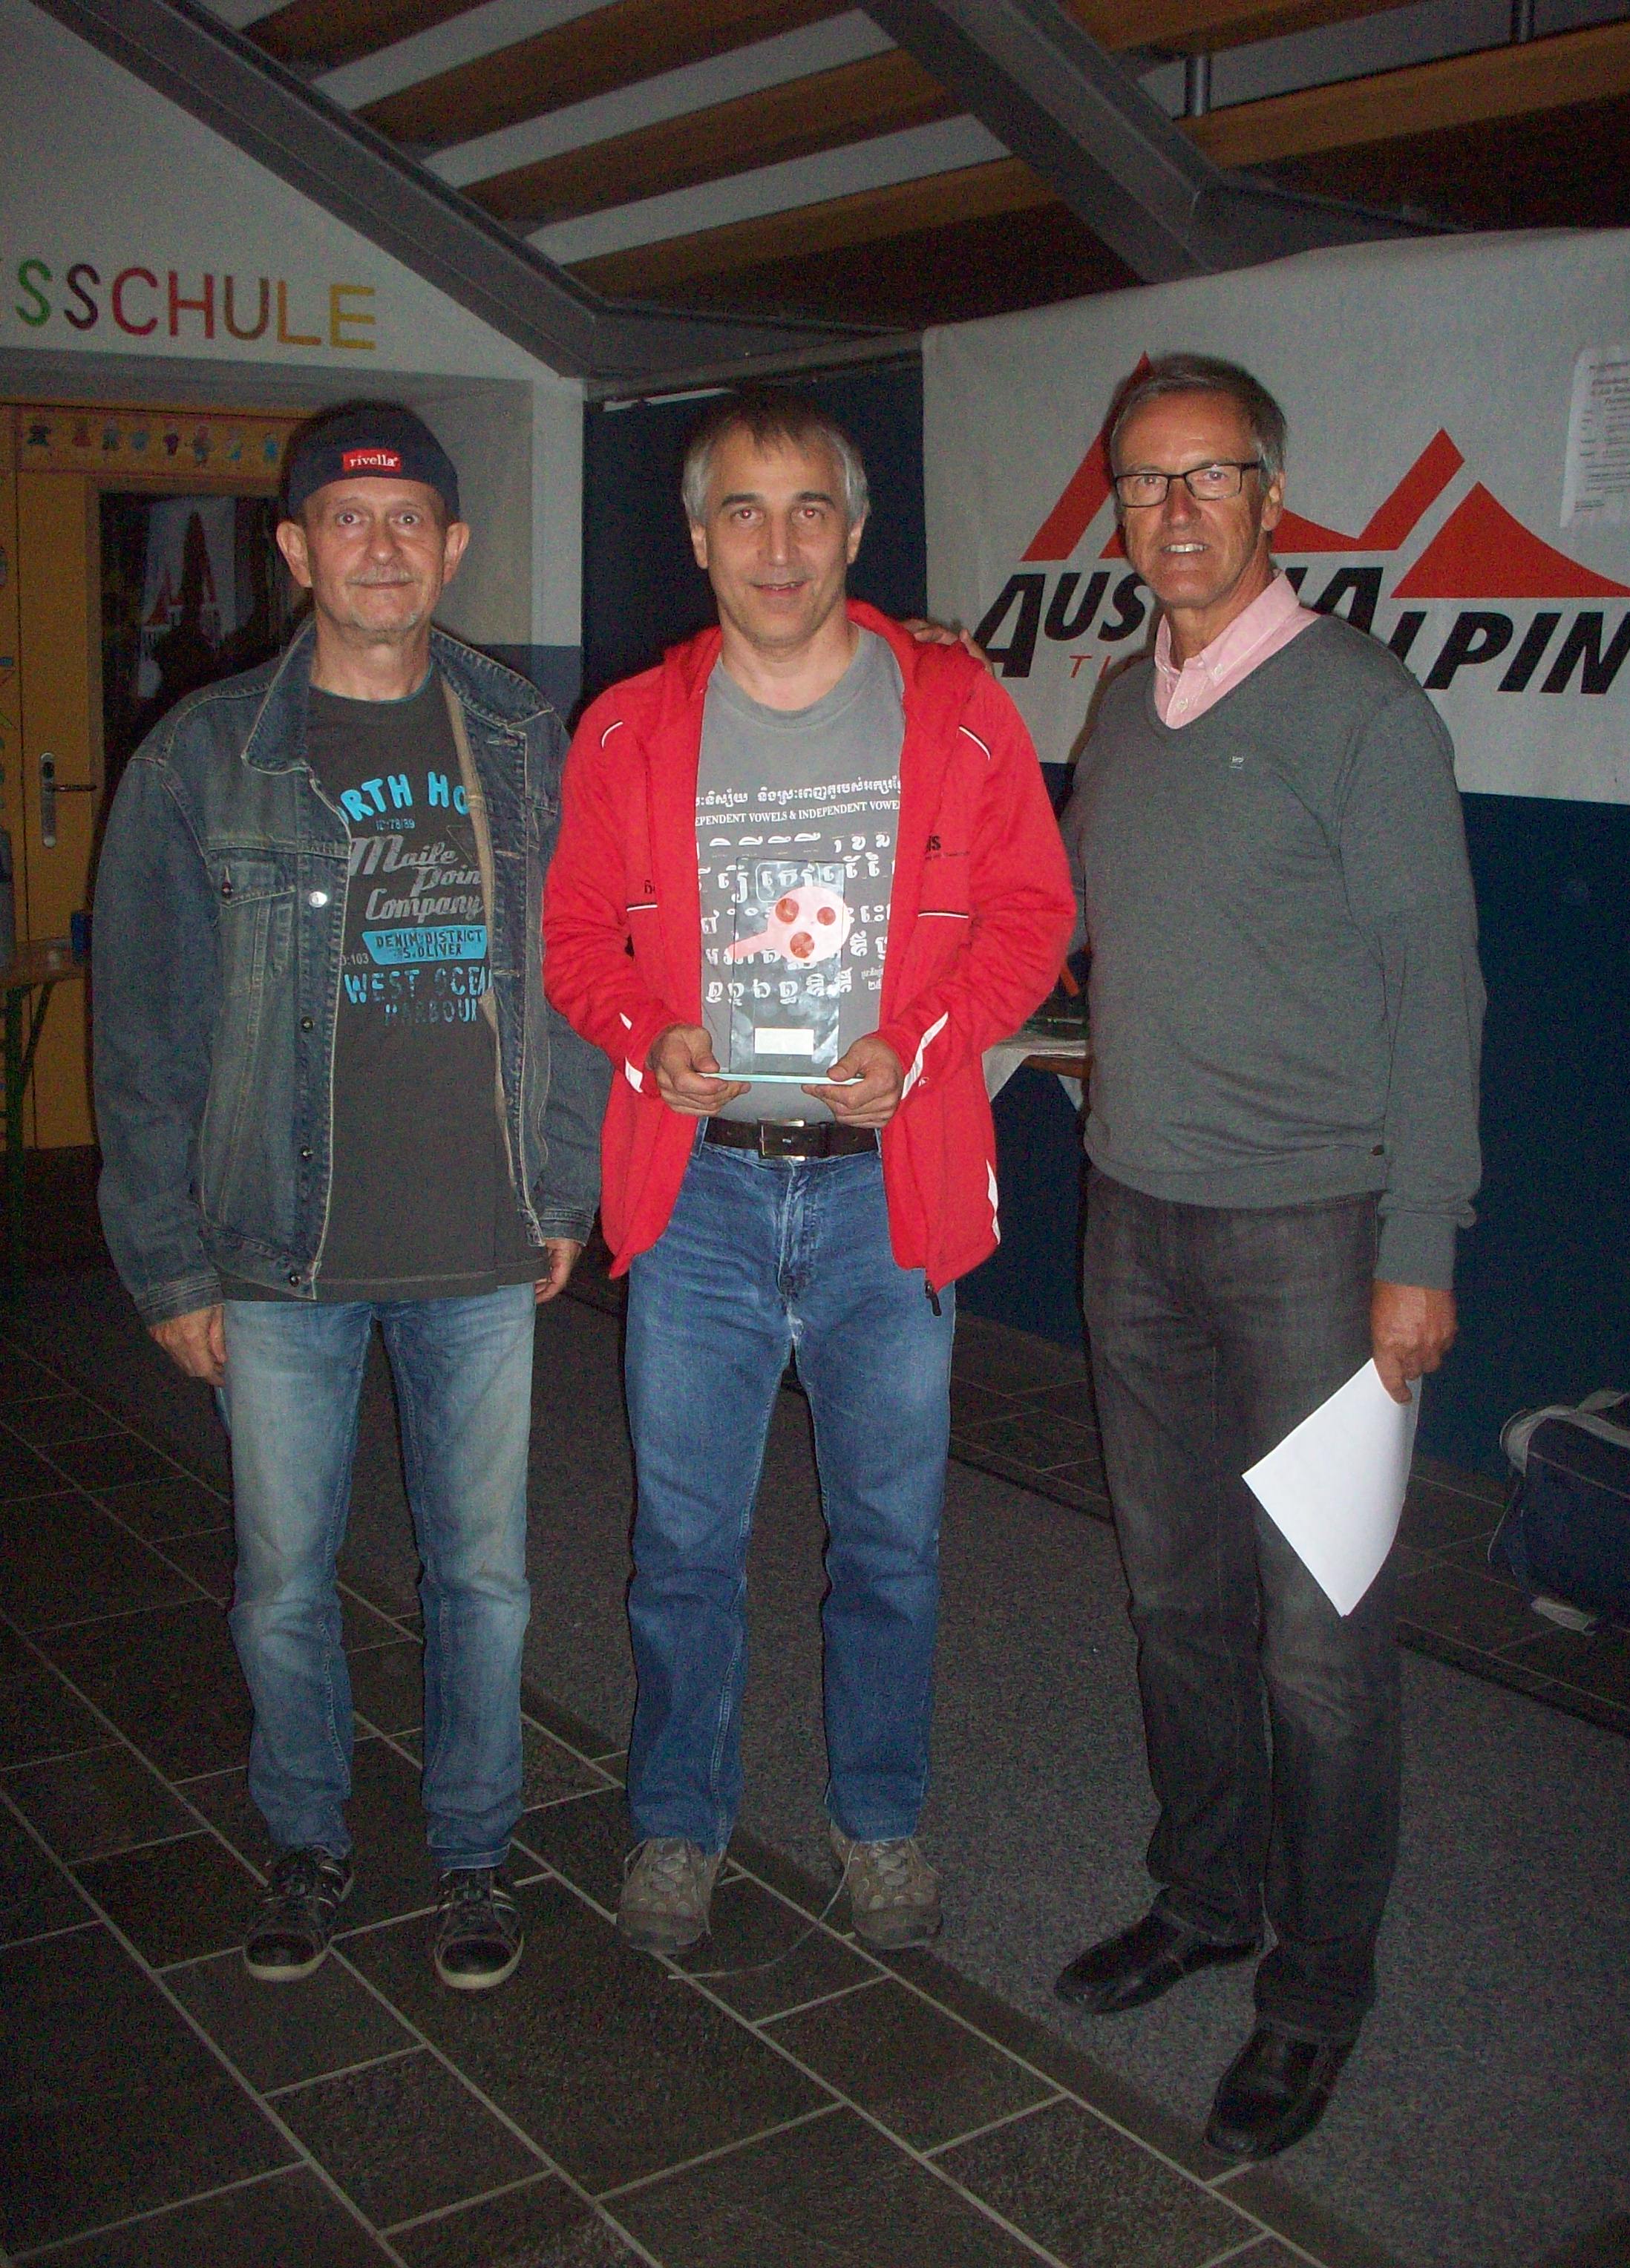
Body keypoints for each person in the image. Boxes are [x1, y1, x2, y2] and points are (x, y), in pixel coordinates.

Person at [543, 387, 1074, 1954]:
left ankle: (881, 1819)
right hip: (699, 1193)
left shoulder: (957, 711)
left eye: (809, 511)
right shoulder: (627, 729)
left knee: (891, 1544)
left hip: (884, 1192)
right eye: (744, 513)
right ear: (699, 538)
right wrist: (645, 1032)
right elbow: (574, 941)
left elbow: (1033, 919)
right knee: (684, 1544)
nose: (778, 547)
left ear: (854, 530)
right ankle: (677, 1823)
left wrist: (926, 1042)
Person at [93, 402, 609, 1992]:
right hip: (276, 1247)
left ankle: (473, 1851)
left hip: (479, 1241)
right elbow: (144, 1028)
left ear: (453, 549)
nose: (381, 547)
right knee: (282, 1587)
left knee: (485, 1582)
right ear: (296, 548)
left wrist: (564, 1183)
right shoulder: (204, 757)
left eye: (409, 522)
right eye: (347, 519)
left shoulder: (522, 737)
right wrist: (170, 1262)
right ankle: (308, 1838)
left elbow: (582, 978)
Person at [1055, 354, 1484, 2157]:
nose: (1175, 511)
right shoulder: (1115, 706)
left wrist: (1418, 1244)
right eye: (1144, 483)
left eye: (1208, 476)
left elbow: (1437, 992)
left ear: (1272, 498)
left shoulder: (1364, 709)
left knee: (1321, 1640)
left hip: (1315, 1237)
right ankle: (1208, 1895)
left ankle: (1317, 1989)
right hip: (1133, 1217)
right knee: (1177, 1603)